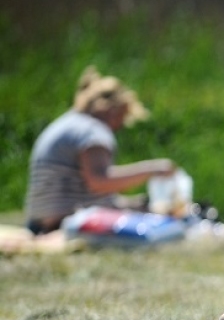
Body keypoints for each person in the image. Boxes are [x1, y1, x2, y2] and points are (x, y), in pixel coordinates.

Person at [25, 66, 178, 235]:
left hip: (40, 222)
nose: (120, 126)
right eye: (122, 117)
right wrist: (154, 169)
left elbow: (85, 189)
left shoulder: (68, 123)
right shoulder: (93, 131)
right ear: (112, 110)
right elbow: (99, 181)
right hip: (64, 222)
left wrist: (131, 203)